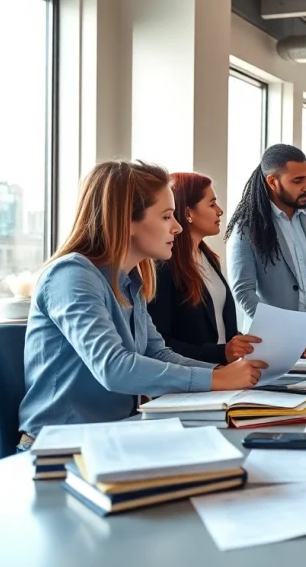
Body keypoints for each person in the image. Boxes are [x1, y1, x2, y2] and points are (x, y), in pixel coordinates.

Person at [18, 161, 266, 443]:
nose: (177, 228)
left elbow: (158, 353)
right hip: (60, 445)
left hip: (116, 433)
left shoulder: (131, 281)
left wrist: (222, 373)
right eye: (166, 217)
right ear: (127, 220)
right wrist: (217, 380)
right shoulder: (71, 276)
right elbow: (113, 368)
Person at [226, 144, 306, 356]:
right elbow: (243, 292)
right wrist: (289, 336)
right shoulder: (247, 227)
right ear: (272, 181)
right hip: (271, 344)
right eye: (298, 180)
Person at [148, 172, 256, 364]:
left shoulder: (209, 258)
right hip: (193, 380)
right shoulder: (163, 266)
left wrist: (245, 344)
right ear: (188, 212)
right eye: (212, 204)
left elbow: (222, 330)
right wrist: (221, 353)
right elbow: (160, 343)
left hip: (225, 375)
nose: (220, 211)